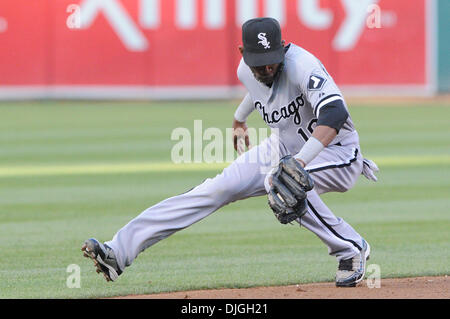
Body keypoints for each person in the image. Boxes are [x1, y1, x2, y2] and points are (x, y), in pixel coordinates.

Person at [82, 17, 379, 287]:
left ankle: (350, 248)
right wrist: (239, 118)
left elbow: (335, 113)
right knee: (214, 189)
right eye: (259, 63)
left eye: (272, 61)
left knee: (283, 180)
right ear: (242, 53)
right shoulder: (247, 72)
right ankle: (117, 253)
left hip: (337, 153)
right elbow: (259, 90)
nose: (267, 69)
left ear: (282, 48)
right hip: (284, 148)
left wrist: (299, 162)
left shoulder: (304, 65)